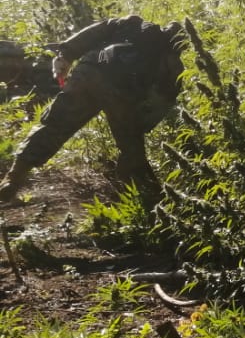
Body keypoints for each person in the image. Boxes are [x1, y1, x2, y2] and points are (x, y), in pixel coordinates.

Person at [0, 16, 185, 204]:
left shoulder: (132, 23)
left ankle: (13, 180)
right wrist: (139, 125)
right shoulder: (172, 60)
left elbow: (95, 31)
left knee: (54, 125)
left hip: (88, 73)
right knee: (132, 149)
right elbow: (162, 100)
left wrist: (66, 54)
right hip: (123, 92)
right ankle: (149, 200)